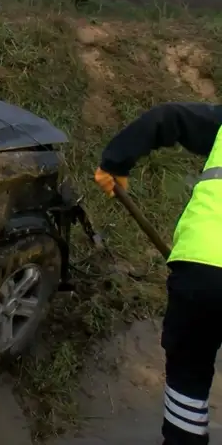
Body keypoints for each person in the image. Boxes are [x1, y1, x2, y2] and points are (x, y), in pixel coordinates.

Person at [94, 102, 222, 445]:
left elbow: (169, 117)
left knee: (189, 375)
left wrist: (115, 162)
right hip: (201, 266)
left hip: (201, 269)